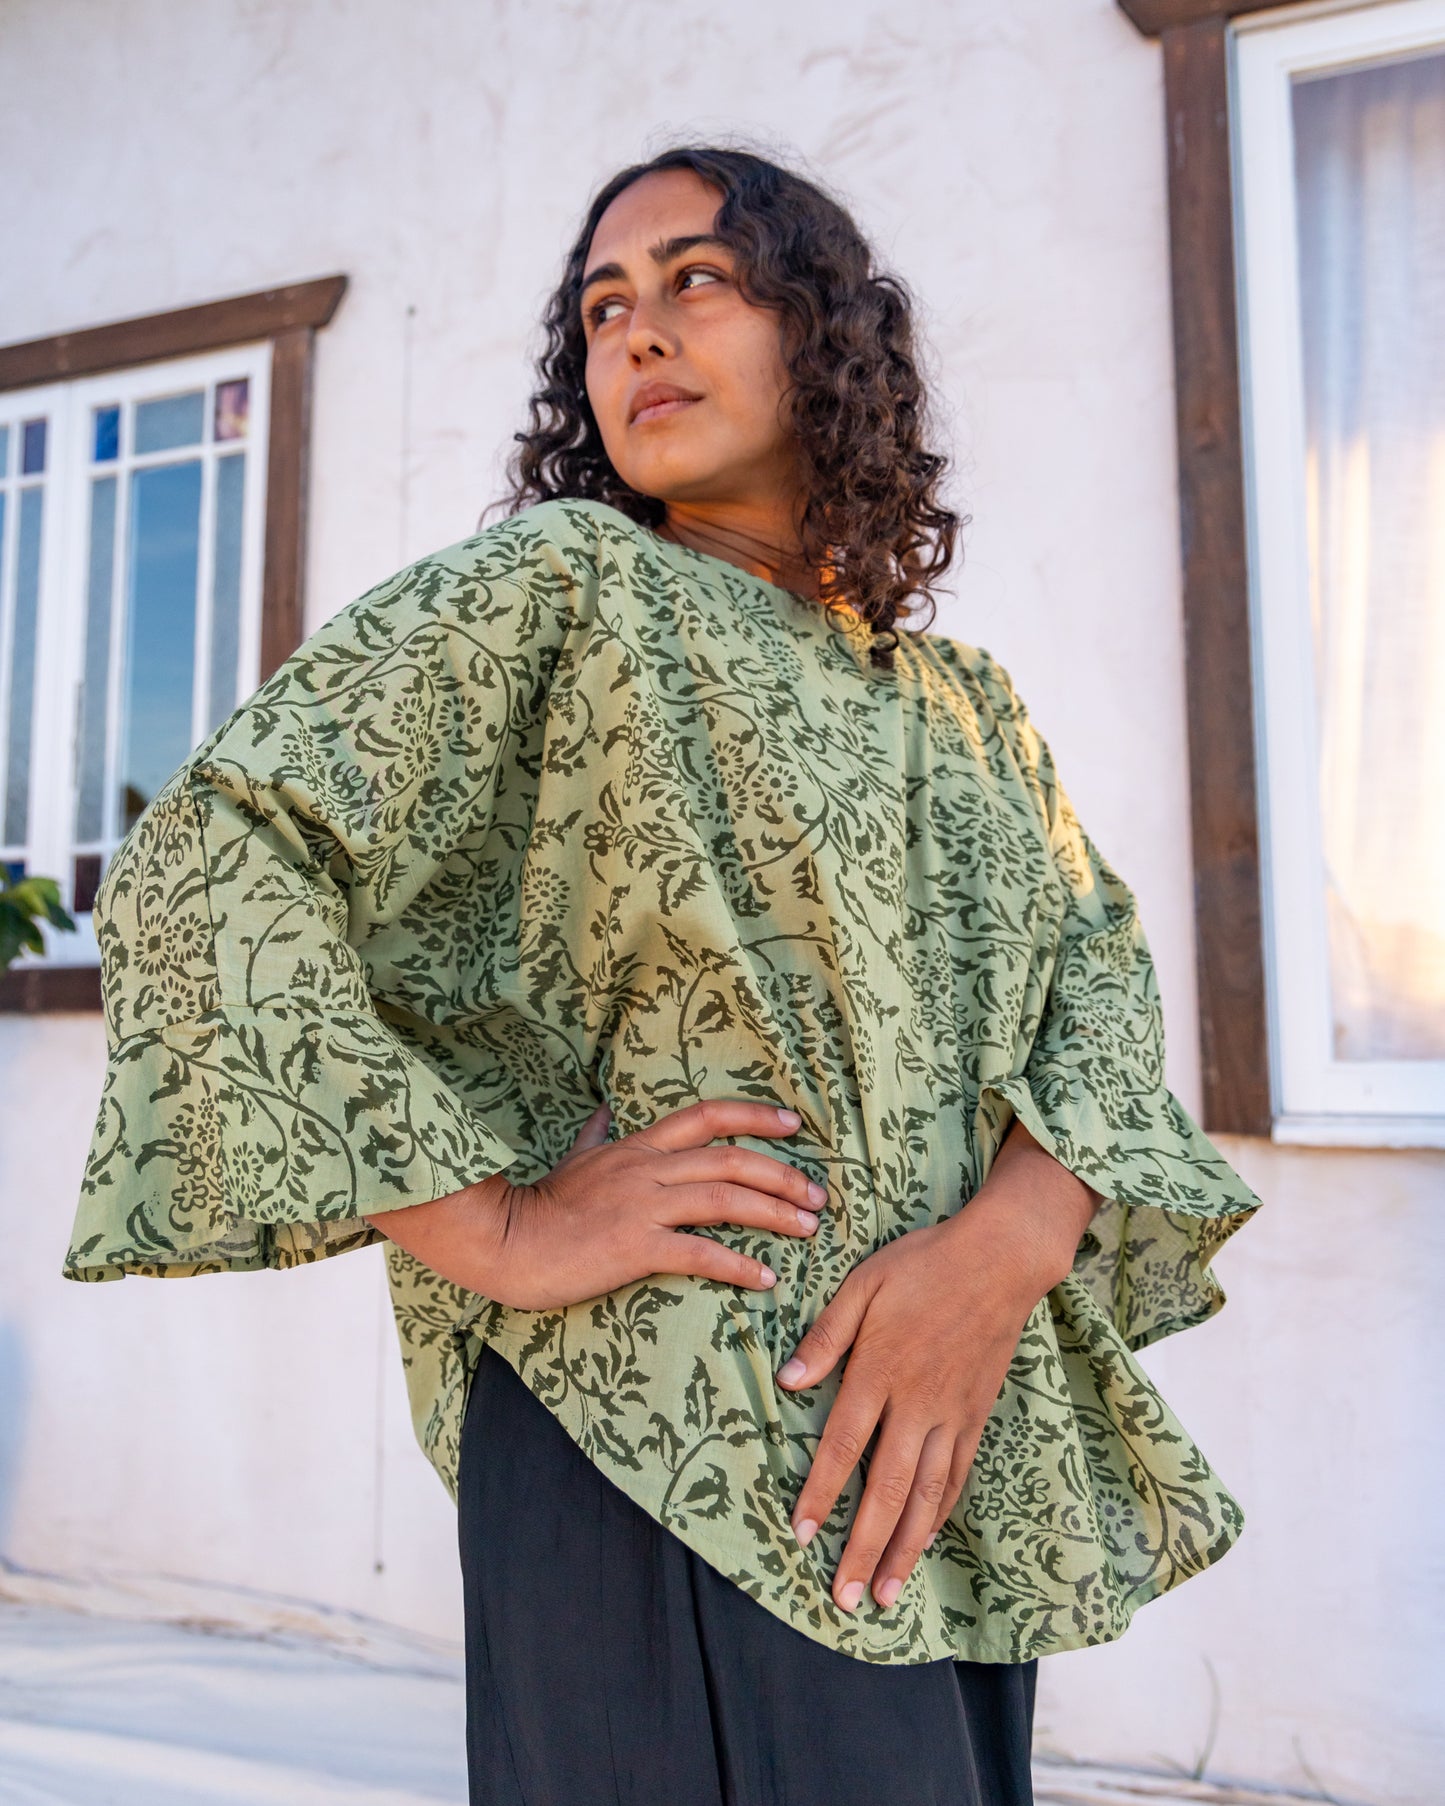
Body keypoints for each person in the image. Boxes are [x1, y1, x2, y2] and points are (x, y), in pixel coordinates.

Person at [65, 145, 1262, 1805]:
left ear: (825, 333)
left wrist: (1002, 1246)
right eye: (602, 307)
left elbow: (1101, 994)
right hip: (654, 1420)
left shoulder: (963, 703)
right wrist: (495, 1221)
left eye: (696, 279)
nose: (637, 332)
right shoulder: (565, 587)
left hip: (934, 1441)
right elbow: (209, 860)